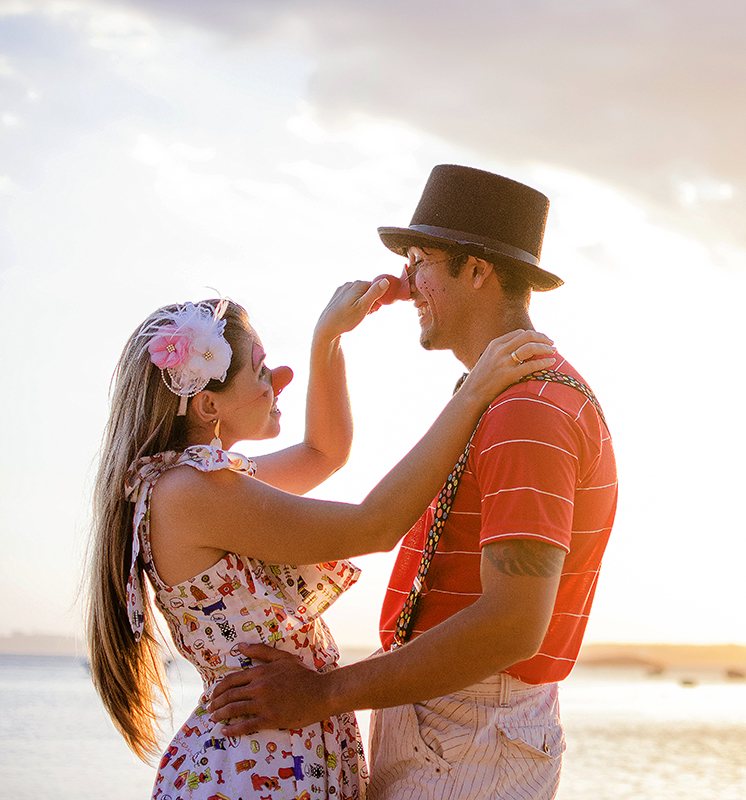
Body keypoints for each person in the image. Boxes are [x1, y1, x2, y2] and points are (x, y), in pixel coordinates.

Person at [208, 165, 619, 799]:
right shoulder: (498, 395)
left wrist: (322, 693)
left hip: (473, 730)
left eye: (420, 261)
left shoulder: (528, 410)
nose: (405, 283)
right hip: (452, 719)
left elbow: (513, 625)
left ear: (476, 271)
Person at [86, 278, 555, 799]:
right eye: (260, 371)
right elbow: (375, 525)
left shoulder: (197, 481)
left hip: (275, 752)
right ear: (208, 406)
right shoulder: (189, 493)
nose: (278, 380)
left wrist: (327, 339)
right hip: (253, 770)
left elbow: (322, 452)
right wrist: (473, 393)